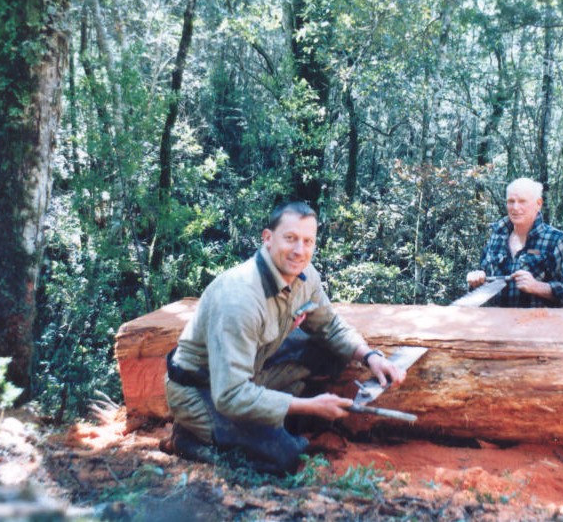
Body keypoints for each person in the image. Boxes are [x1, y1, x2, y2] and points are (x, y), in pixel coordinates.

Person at [161, 201, 405, 473]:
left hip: (250, 372)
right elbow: (230, 396)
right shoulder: (239, 299)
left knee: (331, 352)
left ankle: (274, 423)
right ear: (268, 238)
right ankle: (190, 439)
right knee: (283, 458)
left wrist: (370, 357)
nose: (299, 250)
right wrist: (308, 406)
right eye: (290, 238)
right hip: (203, 391)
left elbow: (330, 326)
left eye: (307, 241)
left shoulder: (305, 276)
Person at [466, 178, 563, 308]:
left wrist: (538, 287)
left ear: (538, 204)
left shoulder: (558, 241)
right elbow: (485, 285)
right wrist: (477, 280)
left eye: (522, 201)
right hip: (497, 320)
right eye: (511, 201)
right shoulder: (496, 237)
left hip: (541, 321)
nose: (515, 207)